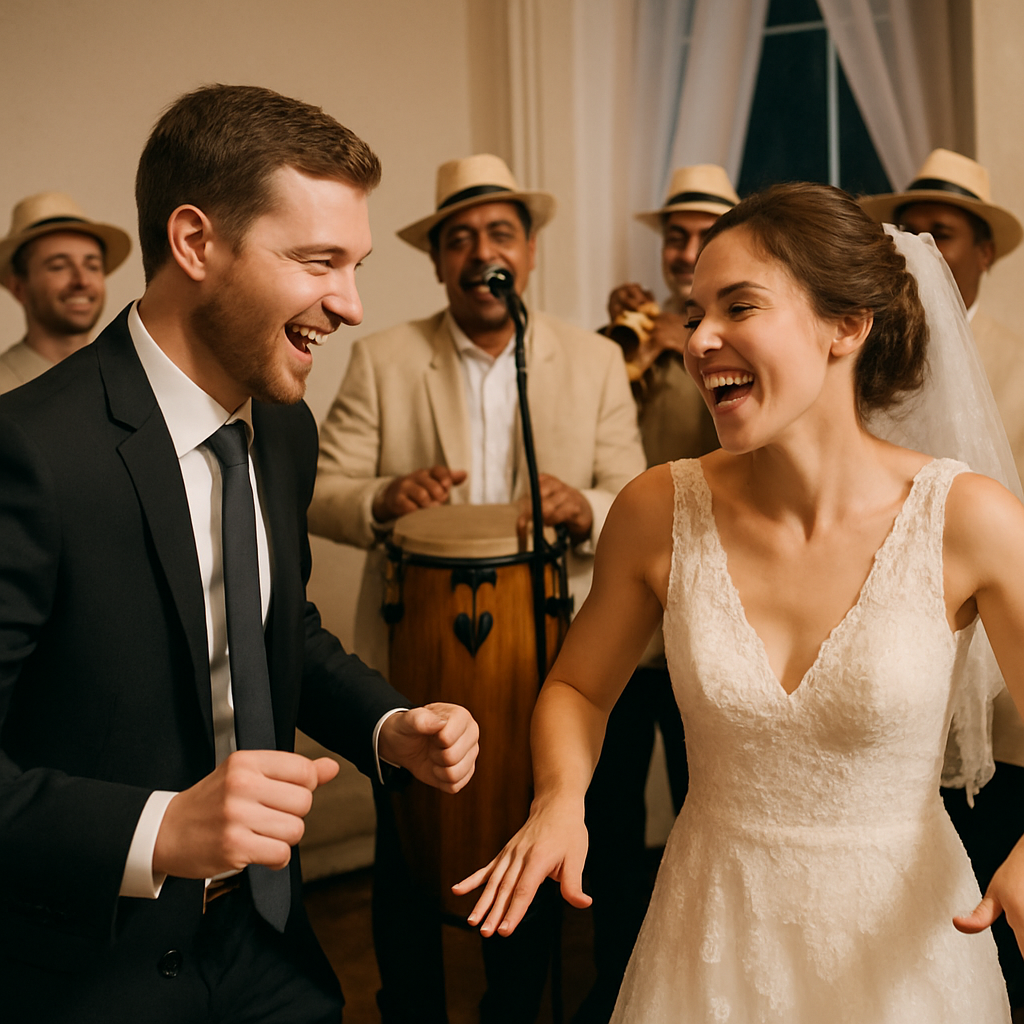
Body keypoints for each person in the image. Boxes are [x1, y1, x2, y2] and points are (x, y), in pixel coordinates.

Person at [456, 181, 1024, 1022]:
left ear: (847, 325)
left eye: (738, 306)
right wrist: (559, 799)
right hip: (710, 934)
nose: (700, 339)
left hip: (908, 950)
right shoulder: (657, 509)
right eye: (694, 314)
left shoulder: (969, 519)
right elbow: (577, 689)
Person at [0, 84, 479, 1024]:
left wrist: (388, 725)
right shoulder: (29, 453)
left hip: (269, 945)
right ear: (194, 243)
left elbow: (273, 625)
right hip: (92, 973)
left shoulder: (282, 431)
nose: (348, 304)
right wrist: (161, 827)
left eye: (356, 264)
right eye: (317, 261)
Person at [308, 153, 645, 1023]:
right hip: (417, 647)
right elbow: (320, 488)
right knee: (408, 847)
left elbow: (636, 494)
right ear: (436, 261)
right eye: (459, 238)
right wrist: (383, 498)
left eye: (499, 233)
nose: (479, 251)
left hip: (549, 645)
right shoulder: (384, 359)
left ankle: (513, 1006)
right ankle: (410, 1006)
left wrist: (588, 507)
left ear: (529, 252)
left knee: (531, 825)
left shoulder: (592, 362)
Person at [574, 164, 738, 1023]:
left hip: (714, 622)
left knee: (702, 802)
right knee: (607, 807)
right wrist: (627, 354)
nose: (682, 249)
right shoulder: (618, 339)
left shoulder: (738, 340)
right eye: (674, 234)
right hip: (628, 614)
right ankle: (617, 973)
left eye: (702, 233)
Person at [862, 148, 1024, 1015]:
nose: (926, 242)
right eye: (914, 225)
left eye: (945, 230)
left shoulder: (1016, 360)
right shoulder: (863, 358)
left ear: (985, 252)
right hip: (881, 675)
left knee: (990, 899)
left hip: (1000, 680)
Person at [0, 191, 131, 393]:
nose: (82, 281)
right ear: (19, 288)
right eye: (59, 266)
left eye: (92, 266)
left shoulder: (129, 380)